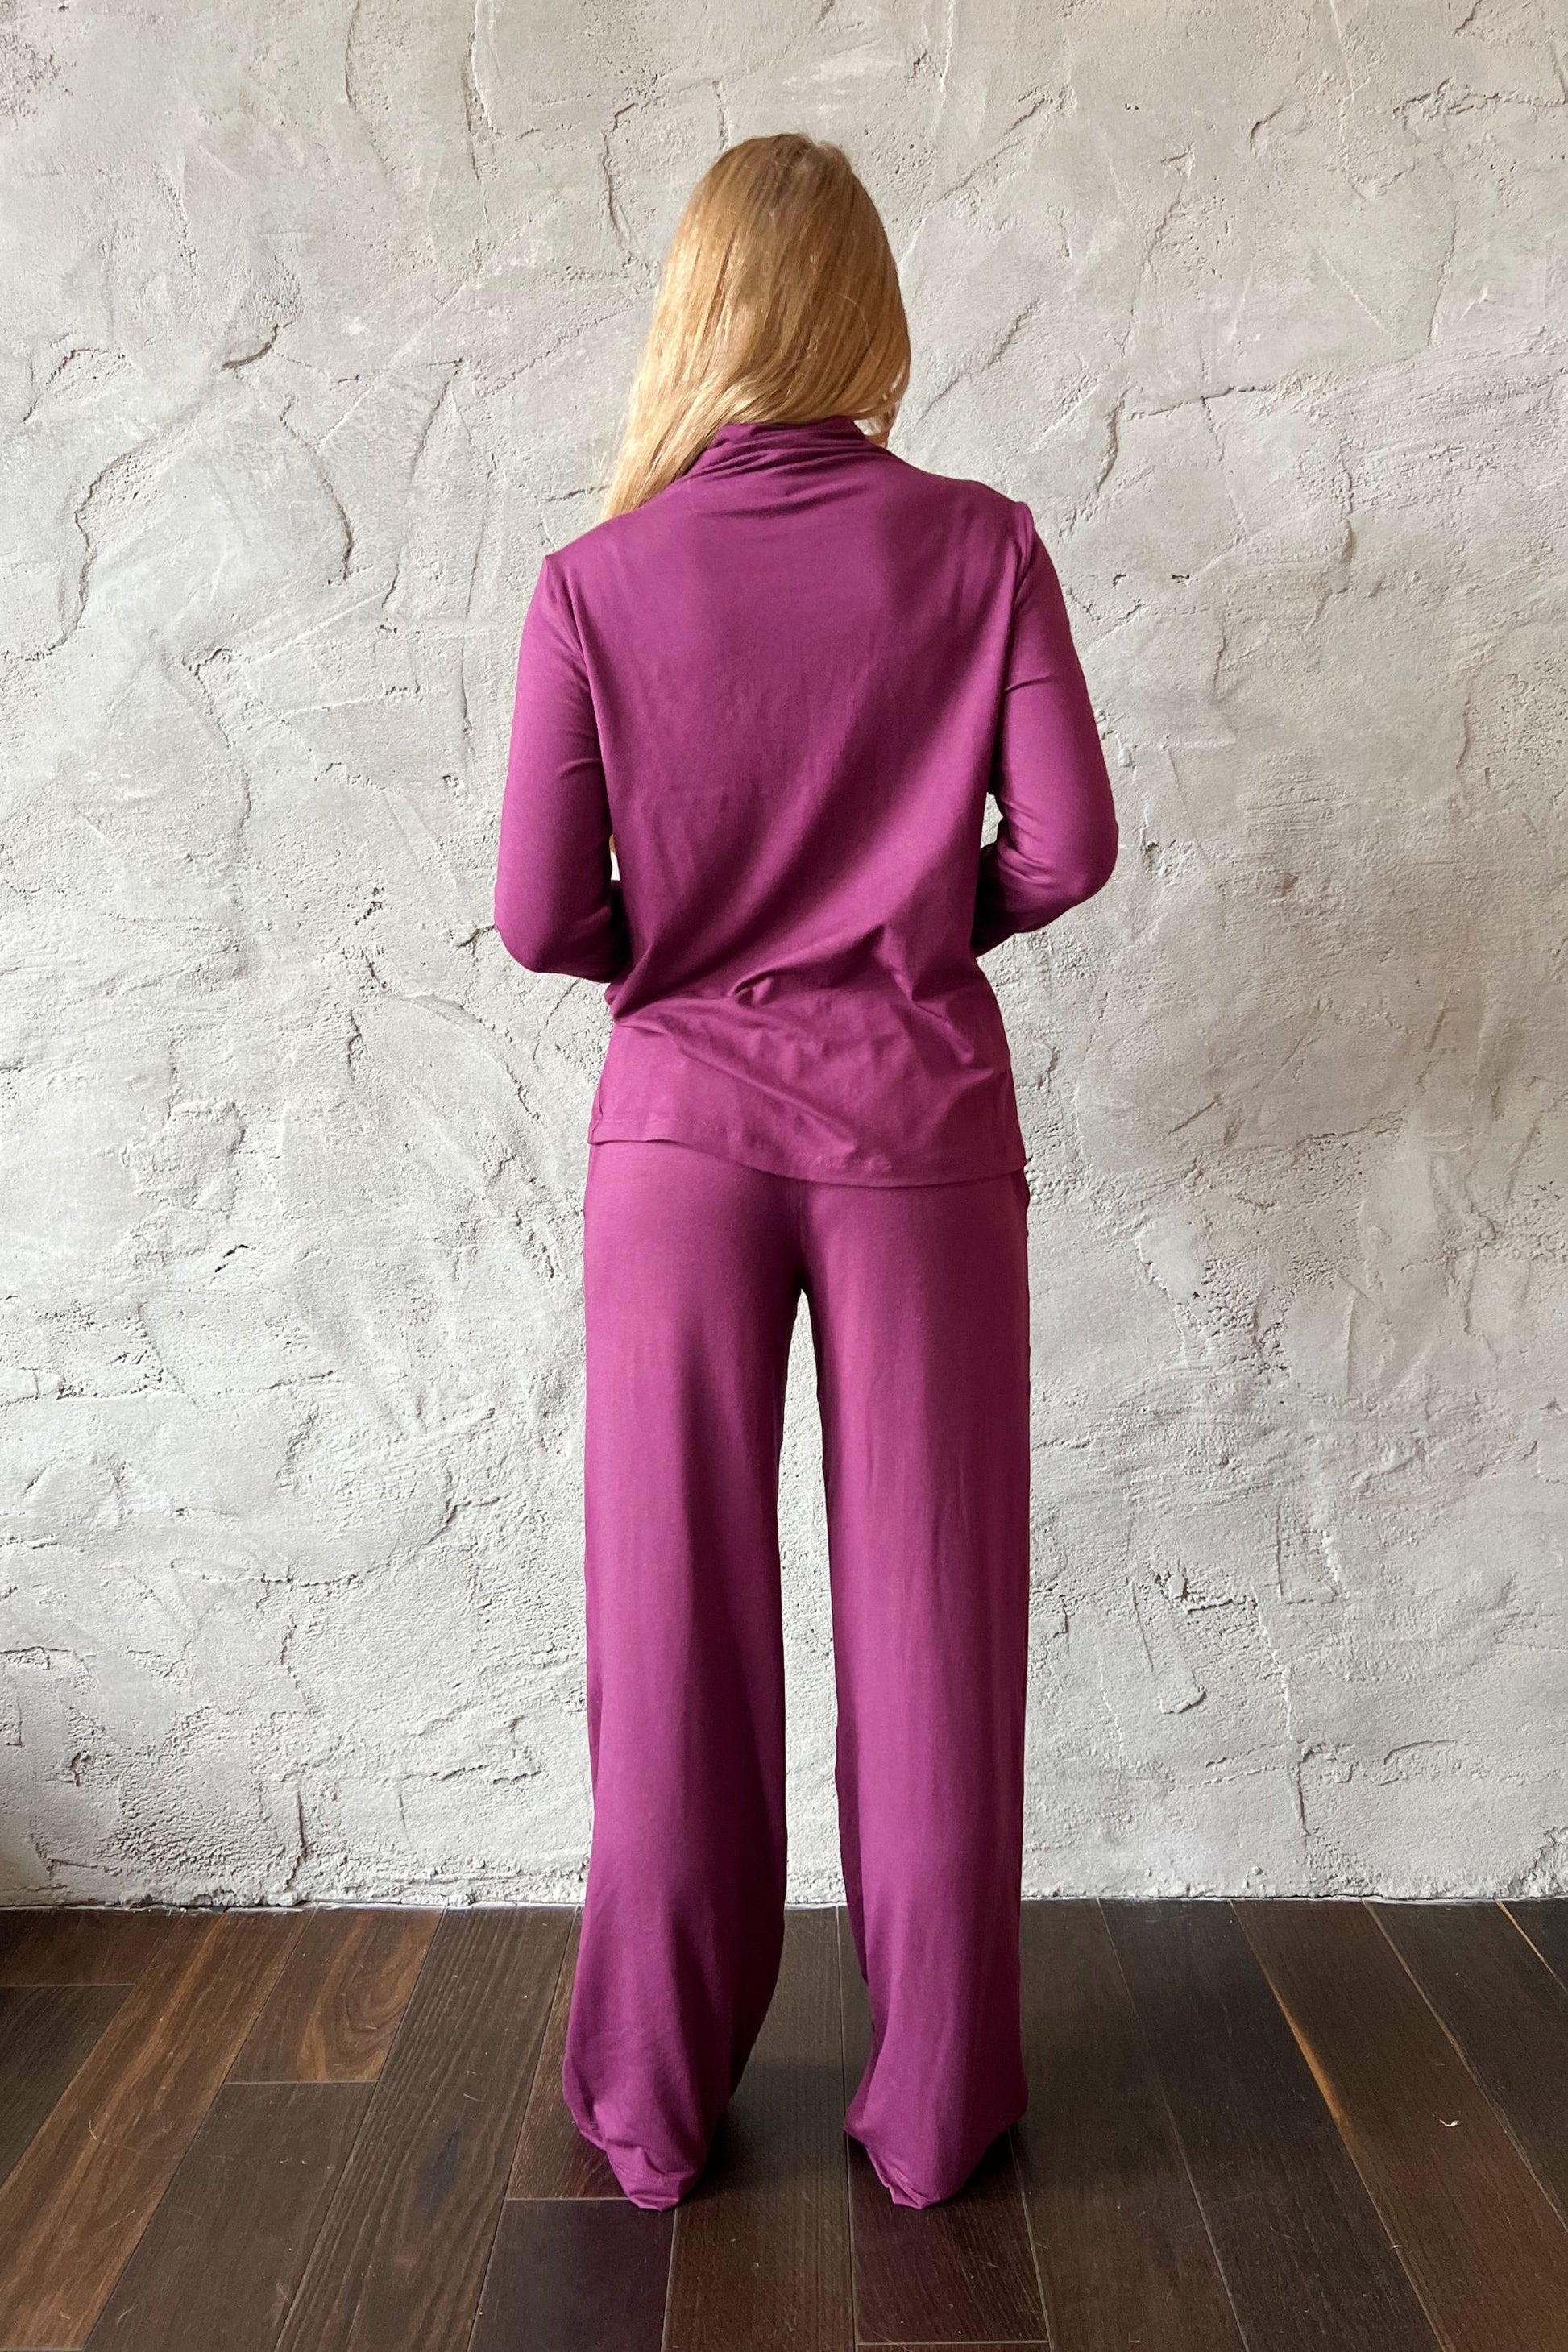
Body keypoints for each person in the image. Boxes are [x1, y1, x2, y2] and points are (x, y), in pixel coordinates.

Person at [493, 131, 1118, 2213]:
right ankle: (935, 2113)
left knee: (670, 1620)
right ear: (864, 311)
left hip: (678, 1137)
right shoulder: (982, 547)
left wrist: (678, 957)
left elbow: (536, 915)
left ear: (697, 310)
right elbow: (1069, 846)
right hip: (916, 1128)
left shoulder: (595, 581)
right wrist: (920, 927)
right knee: (933, 1619)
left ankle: (656, 2107)